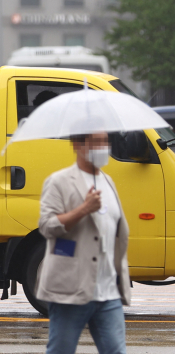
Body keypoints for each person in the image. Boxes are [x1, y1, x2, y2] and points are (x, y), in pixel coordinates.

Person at [37, 132, 131, 354]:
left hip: (108, 291)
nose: (104, 147)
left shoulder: (108, 181)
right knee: (61, 350)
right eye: (97, 142)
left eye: (106, 141)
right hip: (71, 288)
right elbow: (47, 226)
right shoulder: (59, 181)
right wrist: (83, 209)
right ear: (77, 145)